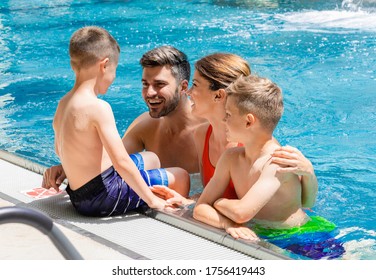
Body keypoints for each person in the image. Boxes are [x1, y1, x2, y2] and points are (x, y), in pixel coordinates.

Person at [48, 26, 187, 217]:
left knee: (151, 158)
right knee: (180, 175)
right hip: (103, 196)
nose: (113, 77)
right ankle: (170, 219)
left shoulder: (63, 104)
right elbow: (121, 162)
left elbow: (60, 150)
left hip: (78, 194)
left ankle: (141, 196)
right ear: (104, 65)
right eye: (114, 70)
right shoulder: (98, 107)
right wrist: (152, 200)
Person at [42, 46, 202, 193]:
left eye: (159, 84)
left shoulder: (209, 130)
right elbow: (112, 162)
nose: (150, 93)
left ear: (182, 87)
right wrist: (66, 167)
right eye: (145, 84)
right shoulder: (144, 127)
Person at [193, 74, 310, 239]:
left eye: (228, 115)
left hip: (303, 238)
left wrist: (218, 202)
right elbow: (200, 208)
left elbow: (242, 213)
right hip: (262, 236)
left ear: (248, 121)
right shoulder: (230, 158)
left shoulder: (276, 163)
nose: (224, 120)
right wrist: (227, 224)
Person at [189, 53, 317, 204]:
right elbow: (209, 194)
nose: (188, 92)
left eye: (195, 85)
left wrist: (309, 173)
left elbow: (302, 204)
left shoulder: (258, 146)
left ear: (218, 95)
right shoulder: (201, 135)